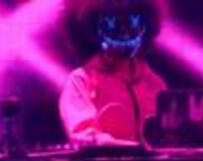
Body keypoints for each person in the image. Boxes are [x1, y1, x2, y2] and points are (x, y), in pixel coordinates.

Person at [60, 0, 168, 145]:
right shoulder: (81, 80)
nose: (123, 30)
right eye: (113, 20)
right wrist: (135, 149)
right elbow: (84, 135)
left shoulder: (155, 84)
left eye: (132, 20)